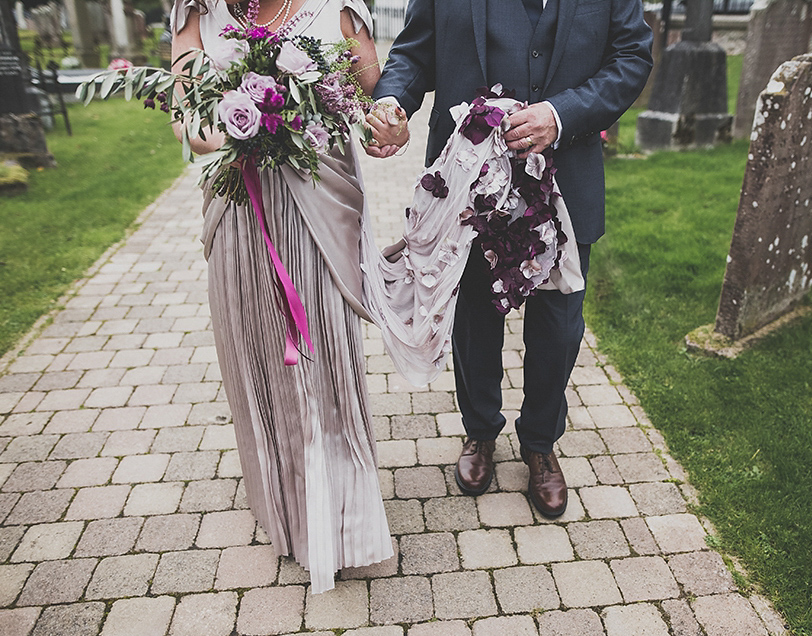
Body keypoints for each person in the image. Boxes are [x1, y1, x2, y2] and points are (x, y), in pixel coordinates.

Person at [366, 0, 653, 517]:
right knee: (474, 316)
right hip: (468, 186)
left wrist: (561, 114)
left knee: (559, 322)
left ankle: (540, 444)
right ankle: (480, 434)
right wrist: (391, 103)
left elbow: (631, 57)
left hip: (565, 179)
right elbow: (413, 54)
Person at [170, 0, 406, 593]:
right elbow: (188, 123)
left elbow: (371, 97)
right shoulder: (195, 10)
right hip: (241, 209)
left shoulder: (338, 8)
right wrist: (246, 123)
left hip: (317, 210)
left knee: (322, 354)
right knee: (258, 353)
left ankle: (345, 521)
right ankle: (287, 511)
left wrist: (390, 126)